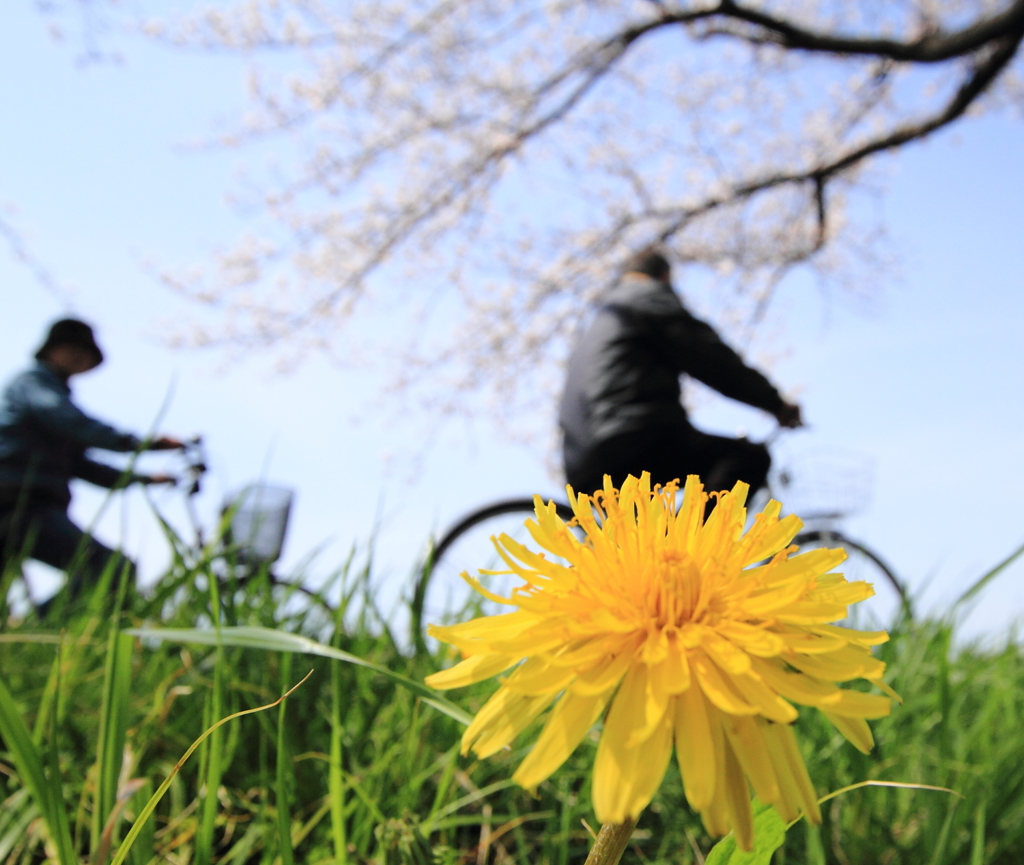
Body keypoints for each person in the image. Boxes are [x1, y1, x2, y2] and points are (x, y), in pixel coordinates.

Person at [559, 248, 802, 498]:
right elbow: (713, 360)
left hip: (580, 458)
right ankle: (694, 538)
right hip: (631, 439)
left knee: (639, 528)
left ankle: (665, 536)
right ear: (665, 276)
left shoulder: (607, 314)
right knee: (748, 458)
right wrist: (775, 404)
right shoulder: (647, 297)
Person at [0, 318, 183, 613]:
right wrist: (139, 443)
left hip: (29, 505)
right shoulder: (33, 385)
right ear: (51, 349)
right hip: (17, 503)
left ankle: (26, 635)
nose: (80, 357)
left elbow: (84, 467)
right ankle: (39, 628)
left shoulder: (55, 401)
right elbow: (70, 421)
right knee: (112, 569)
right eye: (73, 348)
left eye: (86, 353)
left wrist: (145, 479)